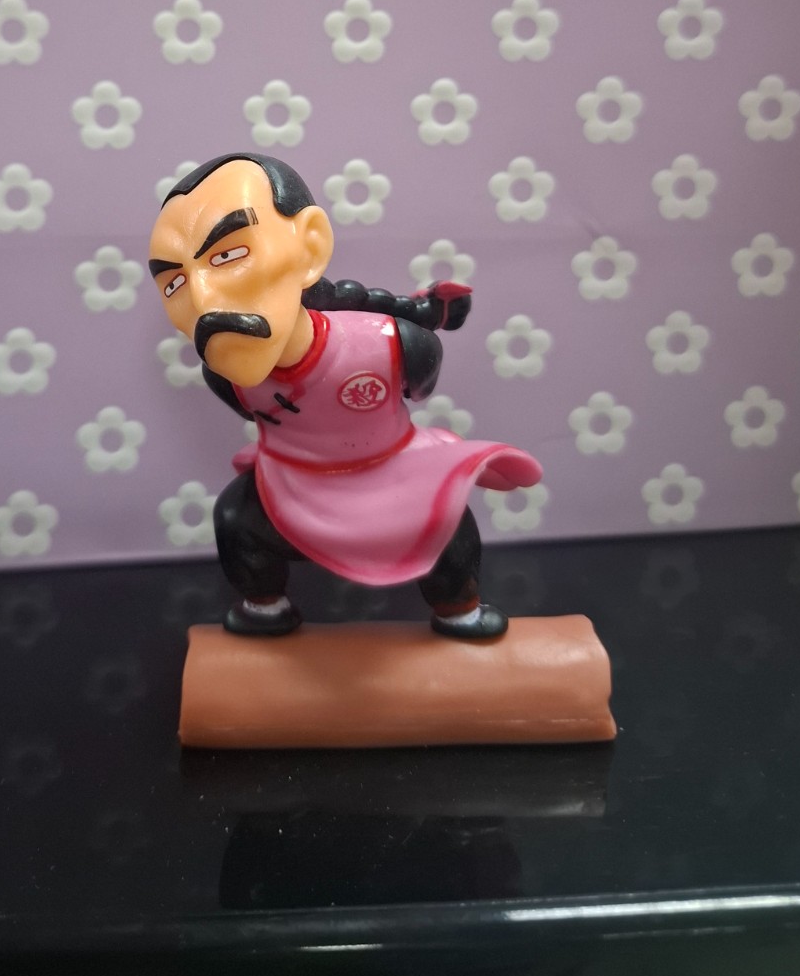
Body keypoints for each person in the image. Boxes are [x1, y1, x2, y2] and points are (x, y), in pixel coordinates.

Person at [148, 153, 542, 638]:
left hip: (391, 468)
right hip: (292, 482)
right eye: (175, 281)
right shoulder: (226, 379)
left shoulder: (395, 345)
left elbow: (417, 389)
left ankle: (459, 605)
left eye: (228, 256)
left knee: (445, 516)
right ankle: (265, 605)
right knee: (235, 516)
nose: (203, 300)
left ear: (309, 248)